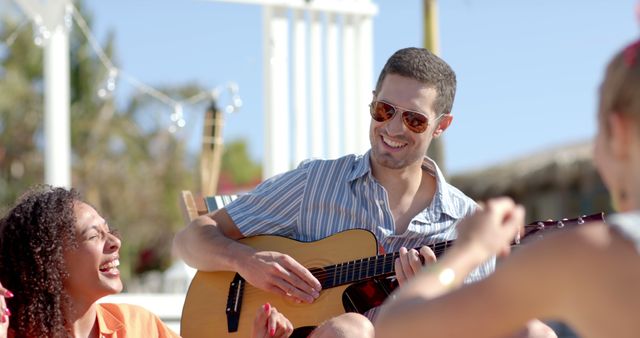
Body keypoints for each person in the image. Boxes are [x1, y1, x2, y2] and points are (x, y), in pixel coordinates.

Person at [173, 47, 552, 337]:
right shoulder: (315, 183)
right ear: (372, 102)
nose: (394, 128)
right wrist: (246, 262)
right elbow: (190, 240)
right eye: (384, 109)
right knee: (350, 329)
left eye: (415, 119)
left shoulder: (468, 226)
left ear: (441, 126)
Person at [374, 38, 640, 338]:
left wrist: (467, 252)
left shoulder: (593, 250)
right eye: (384, 110)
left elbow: (397, 323)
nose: (395, 126)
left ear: (617, 133)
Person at [0, 186, 291, 338]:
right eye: (93, 235)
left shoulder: (139, 326)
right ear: (51, 260)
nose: (115, 242)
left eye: (108, 230)